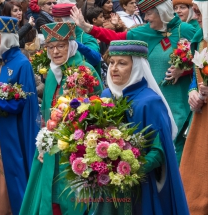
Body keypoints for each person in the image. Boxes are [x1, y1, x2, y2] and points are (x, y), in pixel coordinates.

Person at [71, 0, 196, 165]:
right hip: (152, 99)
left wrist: (184, 70)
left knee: (178, 144)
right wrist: (86, 27)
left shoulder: (185, 29)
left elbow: (202, 61)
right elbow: (115, 38)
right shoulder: (144, 31)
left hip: (179, 98)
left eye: (149, 13)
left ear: (161, 12)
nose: (146, 17)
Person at [92, 40, 189, 215]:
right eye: (112, 62)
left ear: (136, 67)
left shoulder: (150, 102)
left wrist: (129, 169)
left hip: (140, 187)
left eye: (122, 63)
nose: (114, 68)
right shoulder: (106, 95)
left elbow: (159, 151)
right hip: (108, 186)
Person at [19, 21, 103, 215]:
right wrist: (44, 144)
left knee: (72, 201)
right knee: (51, 198)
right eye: (51, 47)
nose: (55, 52)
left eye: (61, 46)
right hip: (51, 147)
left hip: (77, 149)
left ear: (71, 46)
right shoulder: (51, 73)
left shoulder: (86, 71)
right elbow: (47, 114)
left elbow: (99, 112)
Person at [0, 16, 39, 215]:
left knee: (7, 177)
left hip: (8, 131)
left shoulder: (21, 63)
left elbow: (23, 102)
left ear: (7, 36)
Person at [180, 0, 208, 214]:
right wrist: (192, 91)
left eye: (199, 12)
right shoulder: (200, 40)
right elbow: (197, 74)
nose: (196, 16)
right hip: (203, 121)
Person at [52, 3, 102, 76]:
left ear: (68, 21)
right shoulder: (54, 39)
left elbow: (95, 59)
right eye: (54, 20)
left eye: (58, 20)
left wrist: (74, 43)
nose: (54, 24)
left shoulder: (86, 37)